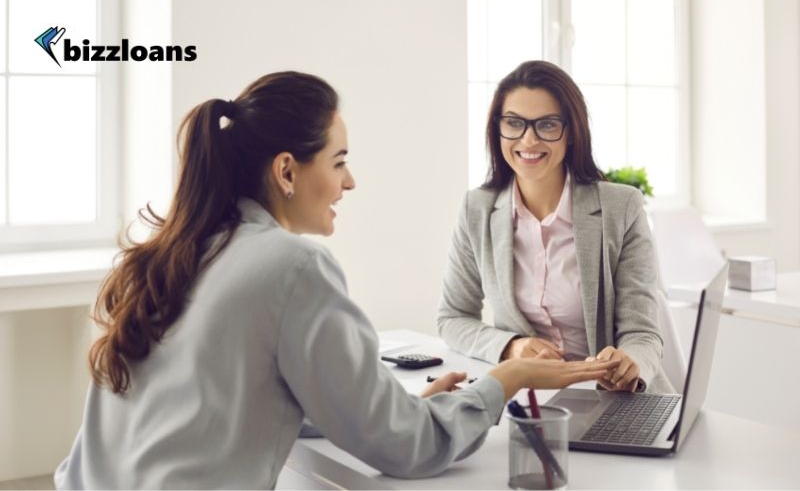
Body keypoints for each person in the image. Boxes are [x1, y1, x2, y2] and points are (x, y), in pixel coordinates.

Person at [54, 71, 618, 489]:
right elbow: (407, 449)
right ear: (286, 171)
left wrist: (386, 405)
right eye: (339, 160)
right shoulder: (293, 266)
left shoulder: (165, 256)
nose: (350, 182)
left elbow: (218, 409)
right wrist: (506, 378)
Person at [438, 60, 673, 394]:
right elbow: (453, 318)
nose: (529, 139)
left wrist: (629, 362)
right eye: (514, 123)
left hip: (613, 399)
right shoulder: (476, 209)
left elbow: (643, 333)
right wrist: (512, 347)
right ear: (497, 129)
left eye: (547, 125)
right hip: (529, 401)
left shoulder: (622, 208)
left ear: (572, 132)